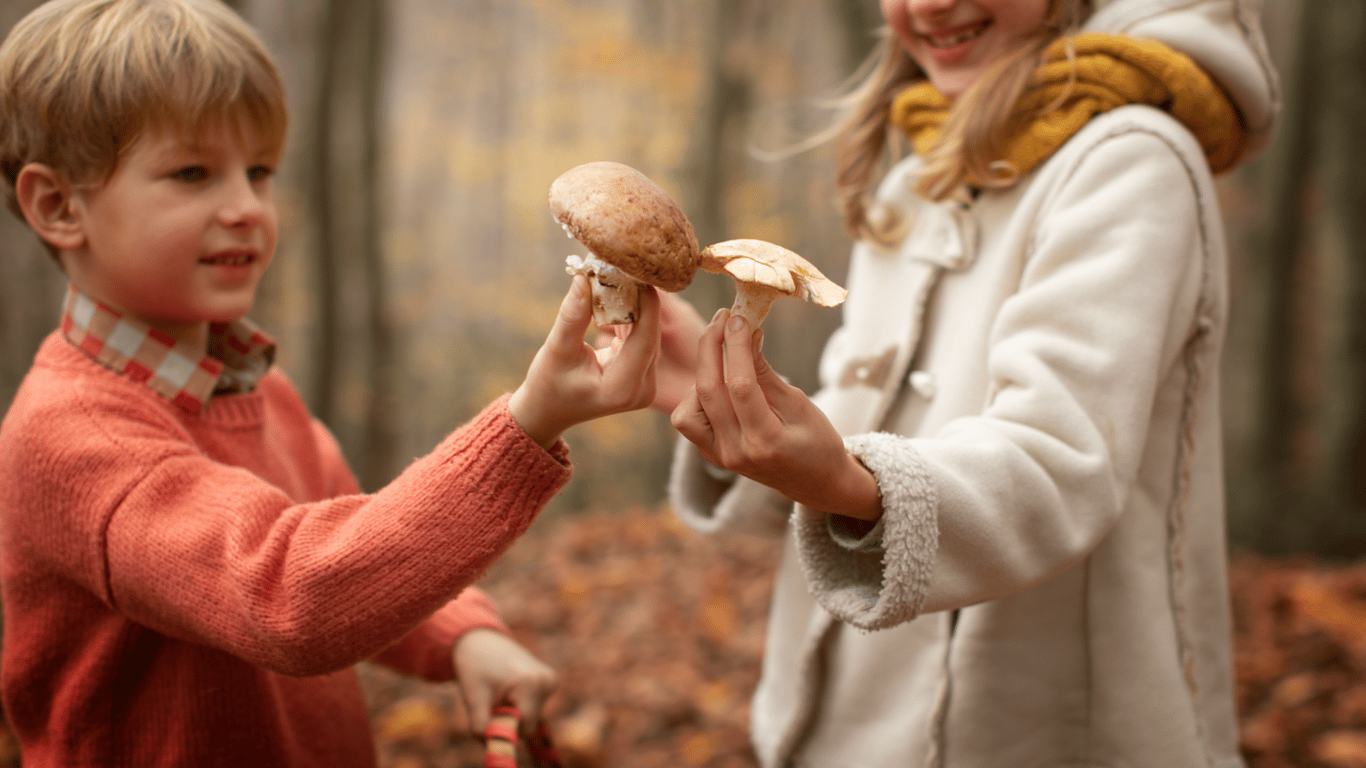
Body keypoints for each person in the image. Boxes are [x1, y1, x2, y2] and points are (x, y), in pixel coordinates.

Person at [0, 1, 660, 766]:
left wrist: (462, 636)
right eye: (191, 173)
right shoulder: (72, 439)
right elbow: (291, 596)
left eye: (258, 172)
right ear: (57, 206)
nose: (246, 208)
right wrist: (527, 423)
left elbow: (362, 548)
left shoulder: (254, 388)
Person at [660, 0, 1279, 765]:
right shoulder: (913, 183)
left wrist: (845, 480)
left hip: (1039, 728)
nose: (927, 5)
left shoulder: (1130, 161)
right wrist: (724, 397)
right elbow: (853, 433)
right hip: (845, 720)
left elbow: (1059, 460)